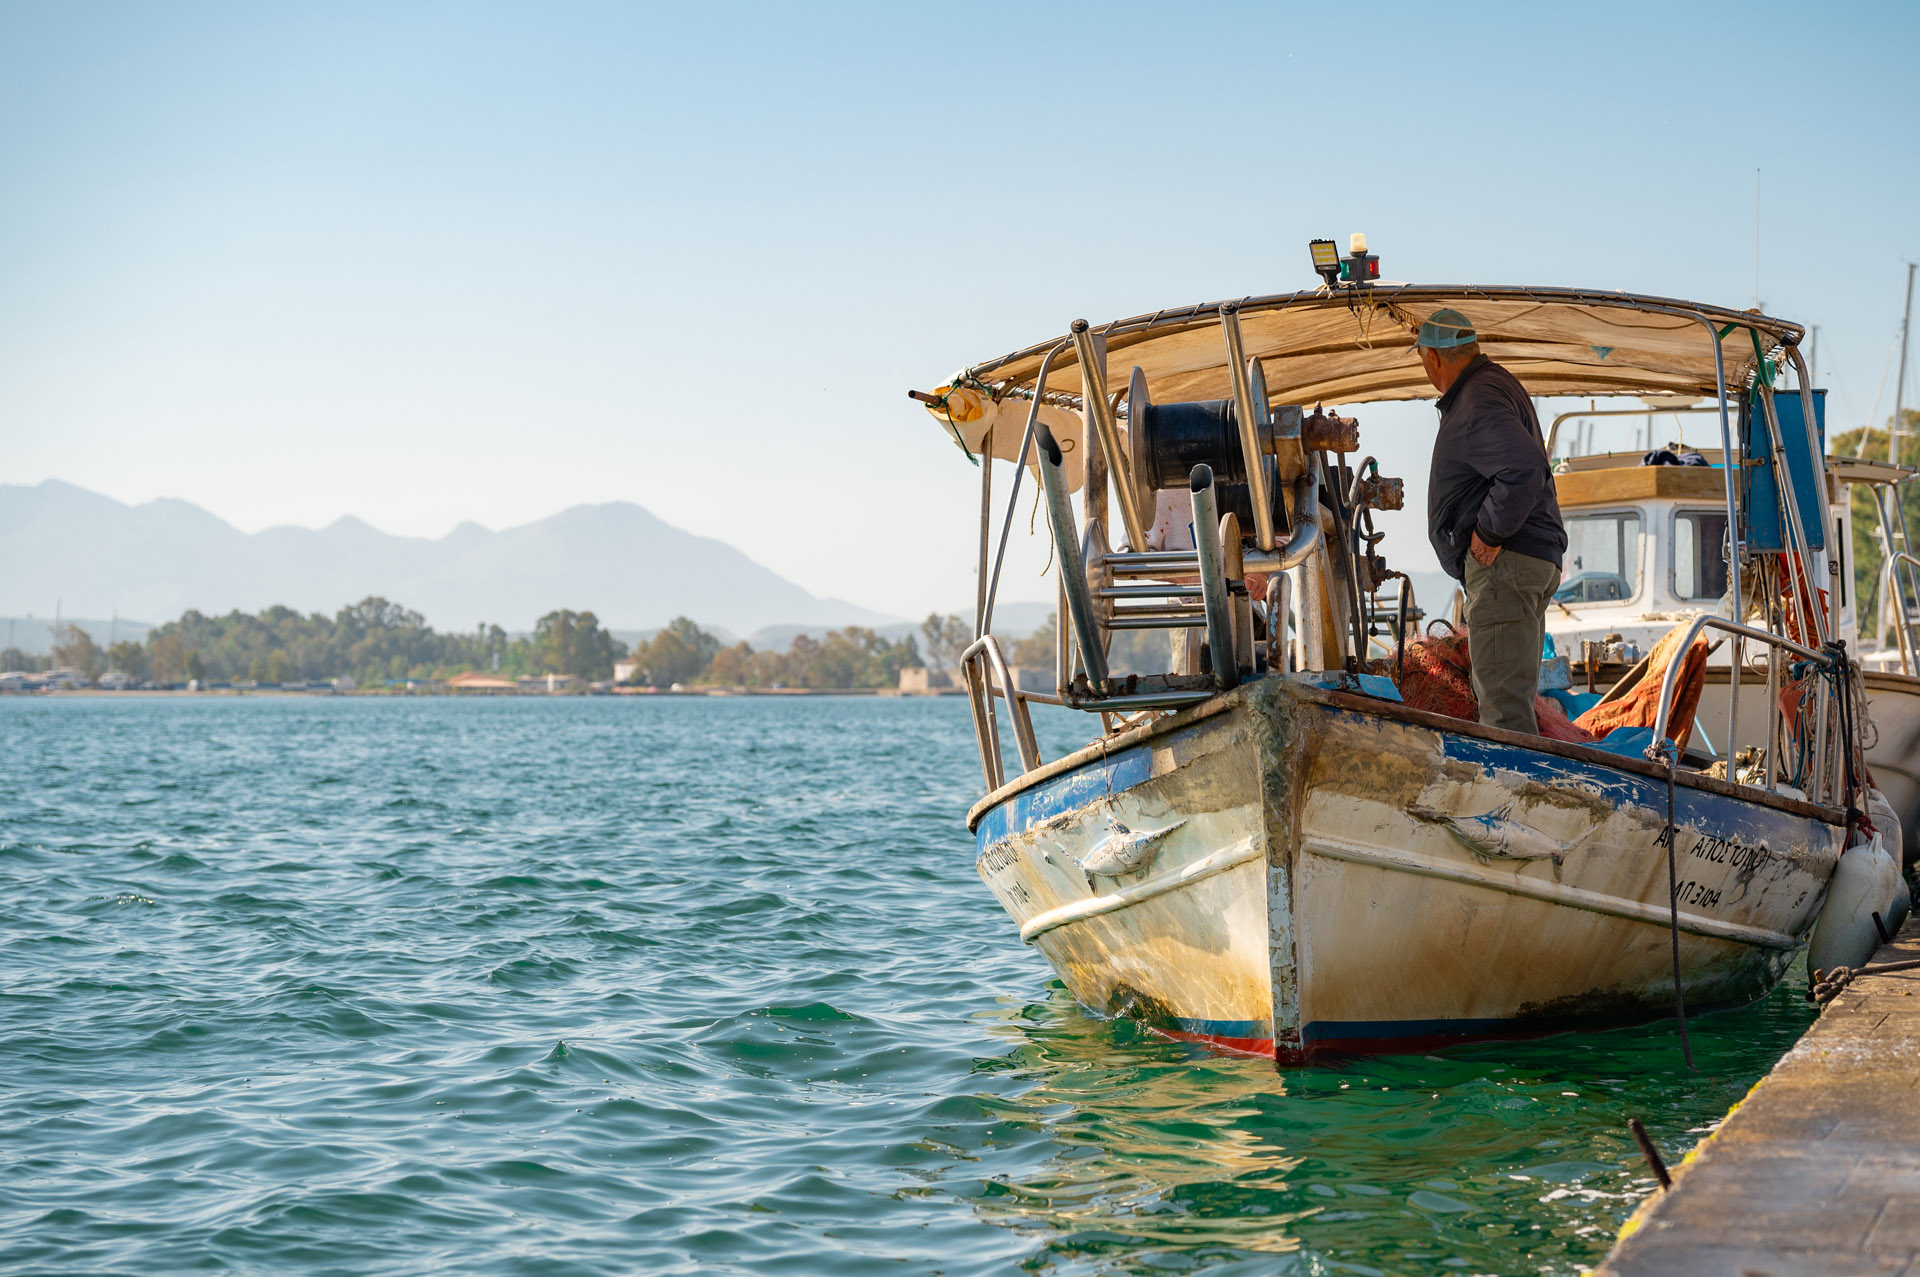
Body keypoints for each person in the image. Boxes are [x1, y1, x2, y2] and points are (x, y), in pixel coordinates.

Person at [1415, 309, 1567, 734]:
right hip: (1523, 562)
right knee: (1509, 701)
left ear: (1432, 358)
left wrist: (1489, 533)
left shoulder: (1477, 399)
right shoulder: (1491, 387)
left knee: (1504, 715)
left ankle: (1518, 800)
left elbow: (1523, 467)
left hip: (1508, 565)